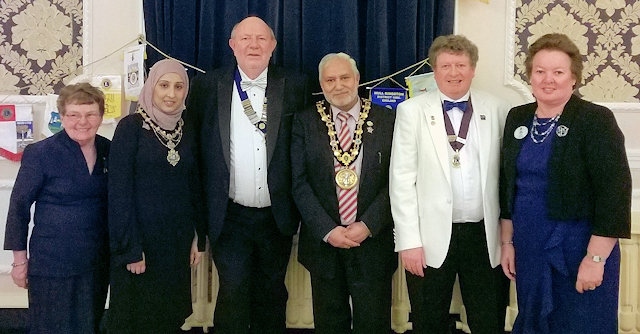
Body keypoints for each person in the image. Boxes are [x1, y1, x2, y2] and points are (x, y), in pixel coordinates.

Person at [499, 33, 632, 334]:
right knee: (535, 321)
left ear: (573, 78)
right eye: (540, 71)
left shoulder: (595, 120)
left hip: (579, 248)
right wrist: (507, 242)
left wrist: (596, 259)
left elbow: (614, 192)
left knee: (580, 322)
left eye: (558, 72)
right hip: (530, 244)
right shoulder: (517, 118)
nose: (549, 79)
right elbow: (508, 185)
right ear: (530, 76)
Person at [186, 16, 310, 333]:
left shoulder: (296, 84)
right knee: (233, 292)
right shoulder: (207, 86)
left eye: (260, 39)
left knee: (272, 293)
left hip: (277, 215)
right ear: (232, 45)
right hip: (229, 215)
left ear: (273, 46)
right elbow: (198, 150)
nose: (253, 45)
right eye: (245, 39)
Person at [389, 34, 511, 333]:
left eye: (460, 65)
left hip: (484, 236)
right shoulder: (411, 111)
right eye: (445, 65)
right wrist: (409, 242)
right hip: (428, 239)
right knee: (428, 321)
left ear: (473, 69)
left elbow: (508, 177)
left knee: (488, 319)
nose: (453, 73)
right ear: (434, 70)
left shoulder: (498, 108)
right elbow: (401, 180)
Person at [291, 53, 397, 333]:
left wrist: (369, 224)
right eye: (330, 80)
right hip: (324, 244)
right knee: (329, 324)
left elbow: (397, 181)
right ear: (321, 84)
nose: (338, 85)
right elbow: (298, 183)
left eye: (344, 77)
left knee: (373, 324)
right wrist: (328, 230)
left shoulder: (388, 120)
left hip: (373, 243)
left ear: (358, 79)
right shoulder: (305, 121)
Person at [106, 59, 206, 334]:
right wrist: (131, 249)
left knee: (169, 316)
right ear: (152, 87)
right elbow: (118, 193)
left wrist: (197, 236)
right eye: (164, 85)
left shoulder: (188, 129)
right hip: (140, 245)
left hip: (176, 243)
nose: (171, 94)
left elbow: (193, 186)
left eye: (178, 86)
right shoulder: (130, 128)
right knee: (135, 318)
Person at [3, 83, 110, 333]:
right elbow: (18, 207)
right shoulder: (41, 153)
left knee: (88, 326)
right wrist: (19, 261)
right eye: (73, 114)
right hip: (52, 264)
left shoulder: (109, 149)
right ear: (61, 117)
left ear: (101, 116)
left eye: (90, 114)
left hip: (95, 262)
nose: (82, 122)